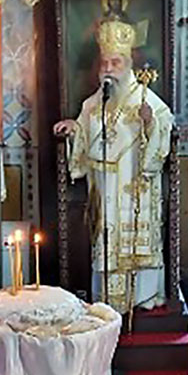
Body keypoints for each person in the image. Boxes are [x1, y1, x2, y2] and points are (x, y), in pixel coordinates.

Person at [53, 16, 173, 314]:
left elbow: (164, 130)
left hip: (133, 188)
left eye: (115, 63)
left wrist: (149, 124)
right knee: (105, 242)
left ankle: (142, 297)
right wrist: (74, 130)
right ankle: (107, 299)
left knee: (133, 244)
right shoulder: (93, 103)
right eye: (104, 63)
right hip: (104, 189)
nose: (108, 69)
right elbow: (84, 134)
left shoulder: (147, 99)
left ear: (129, 64)